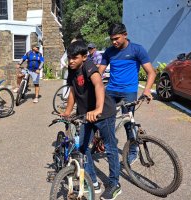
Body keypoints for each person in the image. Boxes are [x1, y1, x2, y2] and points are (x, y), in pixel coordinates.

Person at [61, 40, 121, 200]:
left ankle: (115, 184)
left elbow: (99, 85)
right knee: (82, 147)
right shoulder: (72, 68)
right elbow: (73, 91)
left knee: (110, 148)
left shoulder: (89, 66)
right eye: (69, 58)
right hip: (86, 114)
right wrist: (67, 111)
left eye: (75, 58)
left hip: (104, 113)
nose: (71, 61)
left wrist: (98, 109)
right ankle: (93, 181)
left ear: (84, 56)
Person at [98, 23, 156, 165]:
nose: (114, 42)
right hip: (111, 90)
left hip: (128, 92)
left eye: (116, 38)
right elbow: (98, 72)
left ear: (125, 34)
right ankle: (106, 142)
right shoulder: (109, 51)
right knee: (105, 119)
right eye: (112, 39)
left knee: (128, 124)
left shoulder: (137, 49)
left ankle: (132, 151)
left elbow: (151, 72)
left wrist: (147, 90)